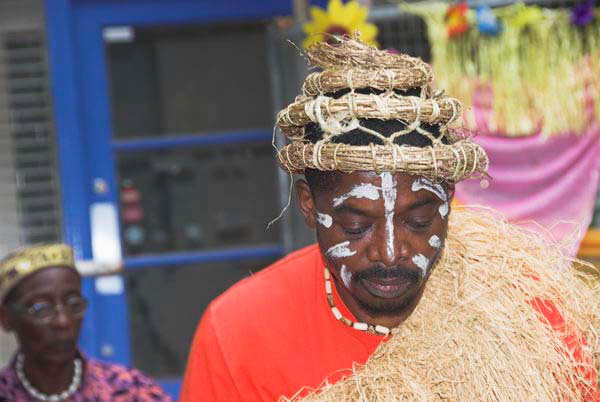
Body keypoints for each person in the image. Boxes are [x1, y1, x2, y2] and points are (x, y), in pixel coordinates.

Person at [180, 36, 599, 401]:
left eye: (418, 223)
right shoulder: (240, 332)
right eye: (356, 226)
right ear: (309, 204)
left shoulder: (532, 314)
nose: (390, 252)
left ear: (449, 199)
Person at [0, 243, 172, 401]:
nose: (63, 321)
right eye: (41, 309)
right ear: (6, 318)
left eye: (74, 304)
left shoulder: (130, 390)